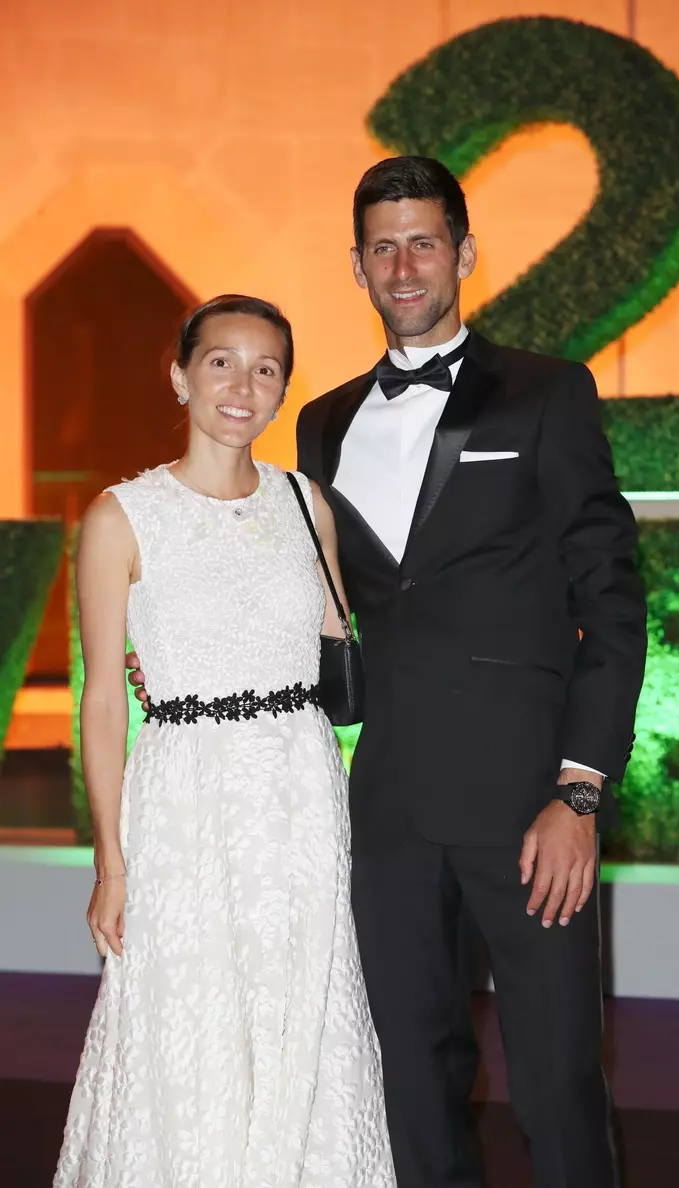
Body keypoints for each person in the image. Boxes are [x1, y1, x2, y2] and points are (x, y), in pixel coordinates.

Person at [295, 158, 647, 1188]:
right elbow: (330, 607)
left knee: (555, 1081)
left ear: (464, 252)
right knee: (411, 1080)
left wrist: (577, 792)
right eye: (381, 246)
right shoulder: (321, 422)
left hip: (528, 806)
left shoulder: (546, 392)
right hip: (390, 809)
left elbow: (613, 605)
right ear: (355, 265)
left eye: (422, 241)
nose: (403, 265)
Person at [55, 295, 395, 1188]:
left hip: (299, 790)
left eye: (268, 368)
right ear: (179, 374)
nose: (243, 385)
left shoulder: (303, 502)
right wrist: (112, 861)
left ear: (284, 387)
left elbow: (335, 645)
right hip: (183, 797)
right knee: (188, 1018)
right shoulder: (121, 518)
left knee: (302, 1010)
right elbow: (100, 701)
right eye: (221, 362)